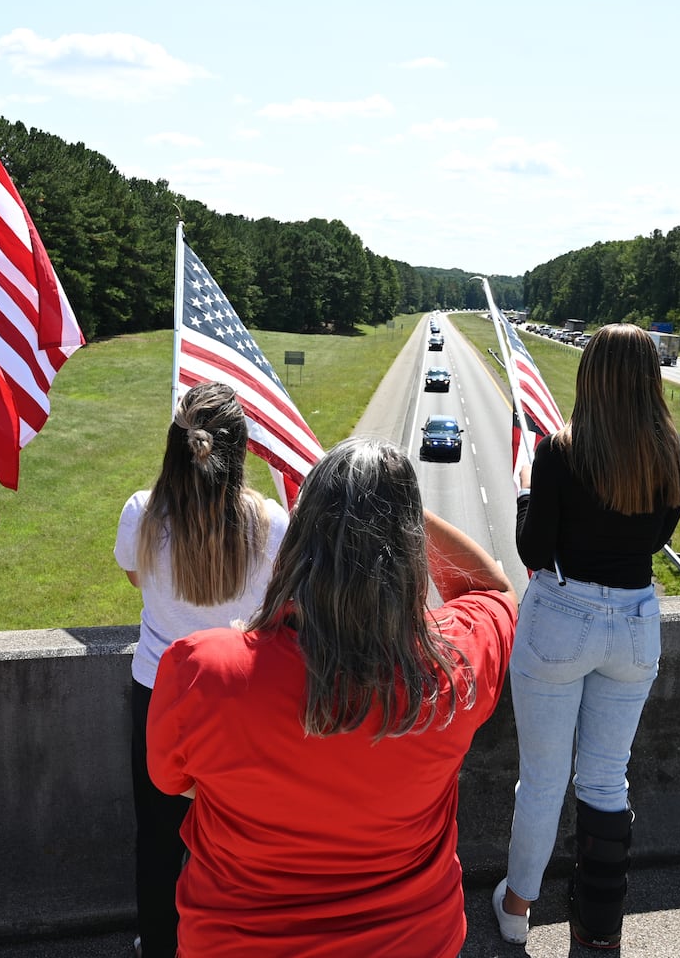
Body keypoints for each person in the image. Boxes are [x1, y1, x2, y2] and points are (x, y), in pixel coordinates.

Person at [147, 437, 516, 958]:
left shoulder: (205, 672)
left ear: (300, 540)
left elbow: (171, 780)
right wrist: (395, 510)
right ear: (410, 550)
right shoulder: (453, 667)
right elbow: (493, 591)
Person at [496, 323, 680, 950]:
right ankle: (601, 923)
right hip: (635, 623)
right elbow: (657, 535)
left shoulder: (560, 450)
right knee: (607, 778)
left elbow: (533, 549)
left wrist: (530, 492)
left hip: (562, 616)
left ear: (591, 377)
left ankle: (519, 904)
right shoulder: (677, 453)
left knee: (544, 780)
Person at [113, 381, 289, 958]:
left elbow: (137, 578)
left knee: (158, 840)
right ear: (240, 451)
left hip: (159, 697)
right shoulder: (271, 523)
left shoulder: (142, 512)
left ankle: (160, 946)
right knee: (240, 840)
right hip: (242, 702)